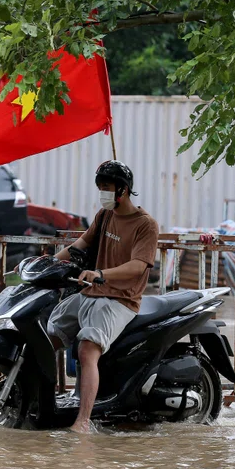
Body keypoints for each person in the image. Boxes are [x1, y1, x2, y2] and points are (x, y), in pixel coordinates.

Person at [47, 160, 160, 433]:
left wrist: (102, 273)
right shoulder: (104, 215)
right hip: (91, 292)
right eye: (100, 187)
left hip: (121, 299)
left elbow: (137, 266)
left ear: (123, 190)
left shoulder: (146, 225)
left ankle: (83, 422)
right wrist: (48, 262)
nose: (103, 193)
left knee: (87, 349)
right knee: (46, 336)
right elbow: (80, 245)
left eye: (107, 187)